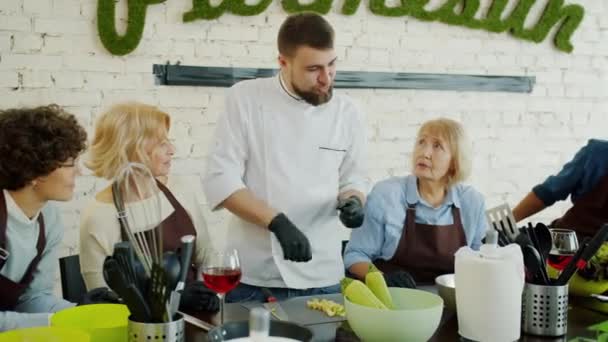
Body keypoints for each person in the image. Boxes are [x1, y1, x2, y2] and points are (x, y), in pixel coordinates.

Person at [203, 13, 369, 302]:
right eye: (313, 69)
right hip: (256, 279)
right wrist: (277, 222)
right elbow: (221, 179)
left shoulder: (348, 112)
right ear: (283, 62)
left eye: (331, 65)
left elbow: (353, 177)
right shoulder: (245, 99)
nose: (326, 79)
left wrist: (354, 200)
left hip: (324, 275)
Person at [79, 102, 218, 313]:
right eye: (162, 144)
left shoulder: (180, 191)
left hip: (197, 319)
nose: (172, 150)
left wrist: (209, 294)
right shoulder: (98, 216)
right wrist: (175, 302)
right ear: (133, 149)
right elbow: (103, 305)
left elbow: (206, 256)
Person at [343, 118, 487, 285]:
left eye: (437, 146)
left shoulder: (471, 202)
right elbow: (355, 255)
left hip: (452, 302)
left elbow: (481, 261)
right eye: (421, 142)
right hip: (393, 302)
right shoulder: (387, 195)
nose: (424, 153)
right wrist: (381, 278)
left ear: (455, 161)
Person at [0, 105, 87, 331]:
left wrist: (83, 311)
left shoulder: (49, 220)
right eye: (70, 164)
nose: (79, 172)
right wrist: (56, 322)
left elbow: (31, 299)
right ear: (34, 172)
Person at [513, 139, 608, 239]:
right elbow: (547, 193)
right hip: (565, 240)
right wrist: (507, 224)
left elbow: (548, 192)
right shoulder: (598, 152)